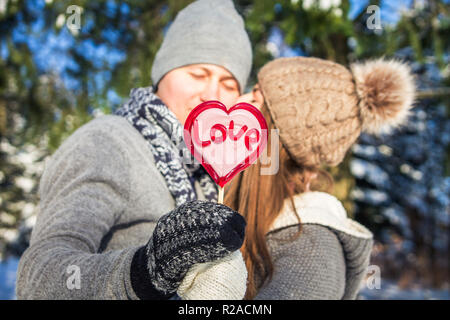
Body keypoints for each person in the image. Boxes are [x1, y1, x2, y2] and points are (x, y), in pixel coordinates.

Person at [16, 0, 252, 300]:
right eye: (197, 74)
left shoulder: (208, 172)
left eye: (229, 84)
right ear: (163, 73)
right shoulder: (108, 143)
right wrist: (145, 271)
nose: (211, 95)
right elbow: (38, 279)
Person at [225, 56, 416, 299]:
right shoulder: (232, 206)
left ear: (276, 139)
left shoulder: (309, 252)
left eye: (256, 98)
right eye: (251, 89)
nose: (239, 101)